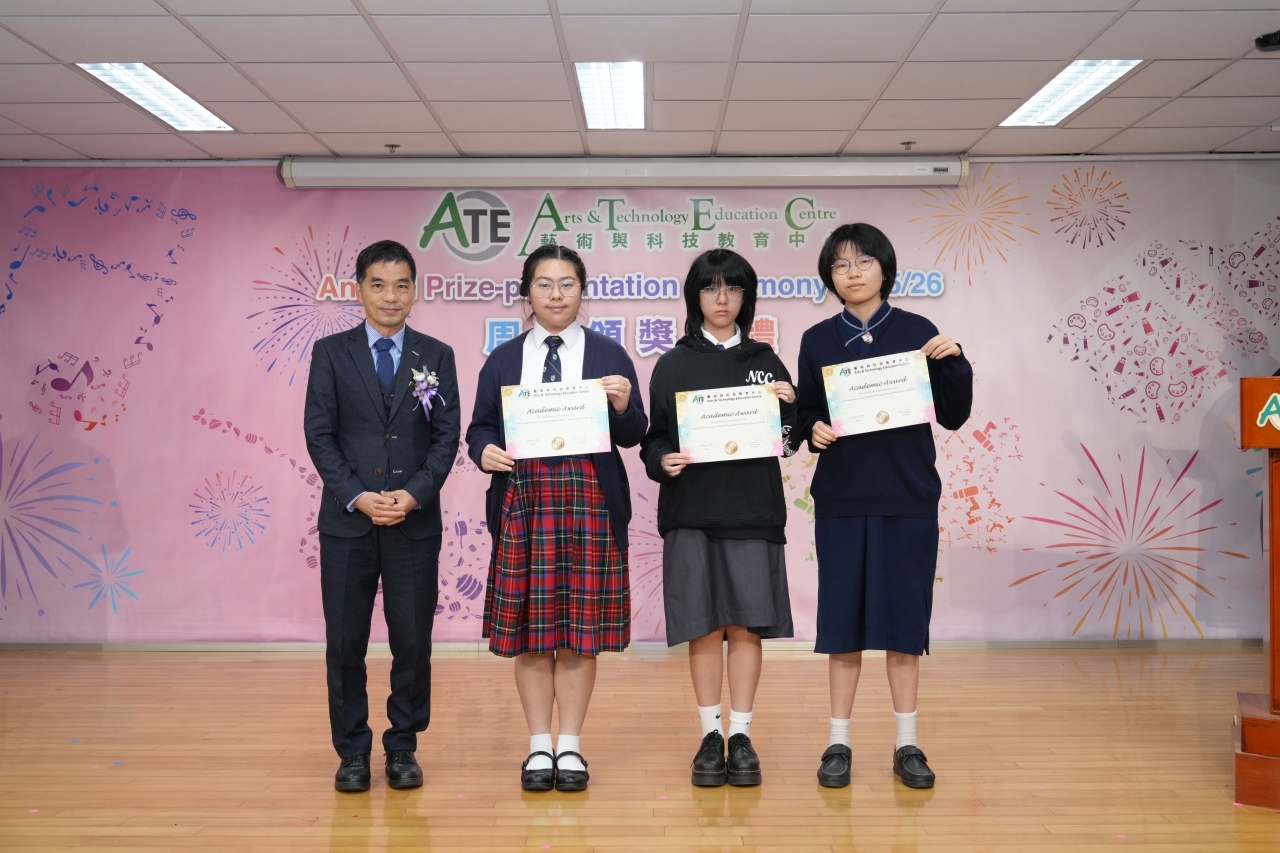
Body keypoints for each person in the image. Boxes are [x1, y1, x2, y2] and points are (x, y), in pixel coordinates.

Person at [795, 223, 972, 790]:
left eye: (864, 261)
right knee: (842, 625)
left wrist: (955, 361)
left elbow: (954, 414)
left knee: (904, 626)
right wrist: (812, 428)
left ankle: (907, 743)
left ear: (885, 269)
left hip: (908, 494)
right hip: (843, 496)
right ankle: (838, 742)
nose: (852, 272)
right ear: (829, 276)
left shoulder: (919, 331)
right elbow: (805, 414)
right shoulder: (817, 339)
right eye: (840, 264)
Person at [465, 243, 646, 793]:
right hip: (524, 502)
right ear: (527, 292)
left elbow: (635, 432)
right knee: (531, 631)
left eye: (567, 284)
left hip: (590, 501)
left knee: (578, 632)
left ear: (582, 291)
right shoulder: (503, 359)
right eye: (544, 284)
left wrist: (623, 406)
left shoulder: (609, 354)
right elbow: (479, 426)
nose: (556, 294)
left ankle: (570, 745)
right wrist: (483, 451)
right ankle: (538, 746)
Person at [304, 239, 461, 793]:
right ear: (359, 290)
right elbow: (319, 435)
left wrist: (413, 495)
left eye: (401, 285)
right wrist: (357, 495)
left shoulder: (436, 355)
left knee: (412, 641)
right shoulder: (331, 353)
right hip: (347, 522)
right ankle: (352, 752)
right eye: (378, 284)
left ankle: (402, 746)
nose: (390, 296)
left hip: (413, 523)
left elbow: (446, 438)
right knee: (345, 642)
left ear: (414, 291)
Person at [639, 249, 800, 787]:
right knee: (703, 625)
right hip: (691, 510)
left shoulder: (766, 361)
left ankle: (742, 734)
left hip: (753, 509)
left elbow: (788, 443)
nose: (722, 298)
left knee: (746, 624)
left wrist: (790, 406)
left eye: (733, 288)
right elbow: (654, 437)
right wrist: (661, 460)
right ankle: (711, 734)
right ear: (696, 297)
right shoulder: (673, 363)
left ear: (746, 298)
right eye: (711, 288)